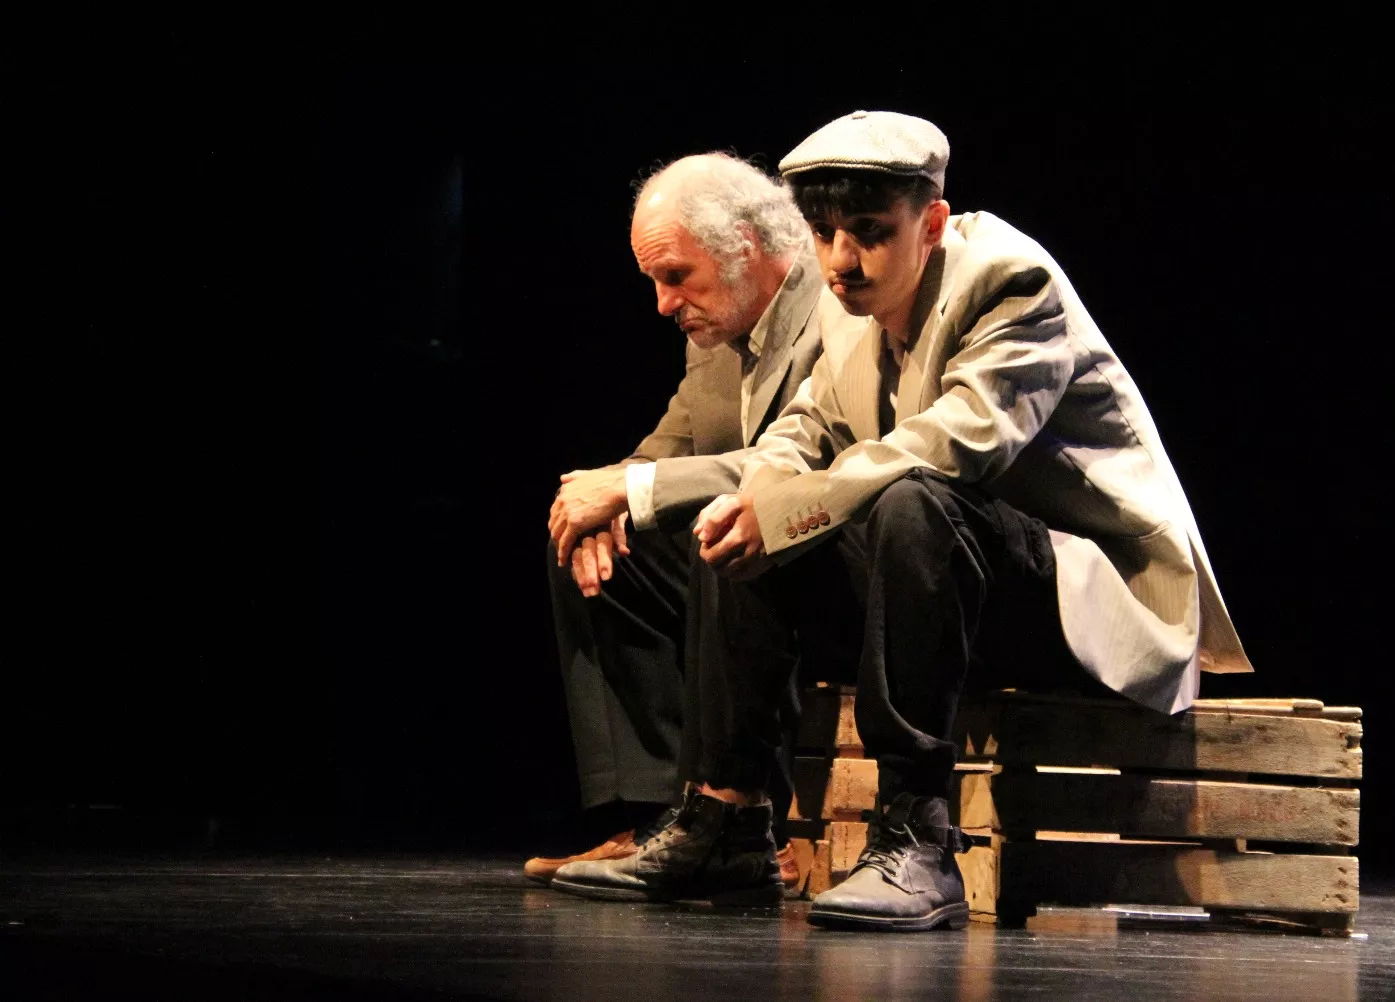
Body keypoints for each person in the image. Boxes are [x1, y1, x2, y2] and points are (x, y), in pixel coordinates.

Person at [552, 111, 1252, 929]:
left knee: (915, 500)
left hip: (1079, 595)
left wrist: (785, 508)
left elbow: (960, 442)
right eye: (824, 235)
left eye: (870, 234)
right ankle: (729, 819)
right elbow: (798, 436)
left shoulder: (1010, 281)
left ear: (932, 222)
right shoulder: (853, 308)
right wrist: (760, 503)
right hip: (943, 590)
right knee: (741, 521)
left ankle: (916, 833)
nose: (841, 263)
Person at [526, 154, 824, 891]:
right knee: (589, 540)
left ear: (745, 249)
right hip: (741, 579)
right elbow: (667, 448)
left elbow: (809, 467)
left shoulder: (839, 310)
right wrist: (603, 503)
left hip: (827, 564)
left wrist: (630, 487)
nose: (663, 304)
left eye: (675, 277)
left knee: (724, 535)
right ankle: (664, 816)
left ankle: (753, 819)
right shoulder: (714, 340)